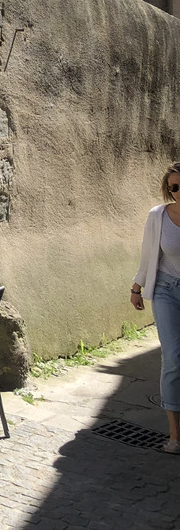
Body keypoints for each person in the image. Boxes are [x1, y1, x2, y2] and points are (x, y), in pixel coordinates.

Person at [132, 160, 180, 454]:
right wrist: (136, 287)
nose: (178, 192)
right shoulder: (158, 216)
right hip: (166, 291)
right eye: (174, 187)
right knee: (173, 358)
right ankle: (175, 436)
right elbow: (148, 255)